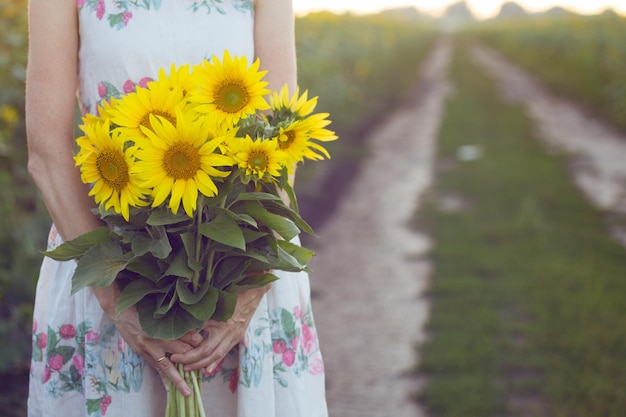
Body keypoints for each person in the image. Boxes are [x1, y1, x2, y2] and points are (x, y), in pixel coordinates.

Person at [25, 0, 328, 416]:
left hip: (240, 262)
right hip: (111, 261)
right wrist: (119, 305)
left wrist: (248, 297)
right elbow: (47, 152)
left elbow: (279, 141)